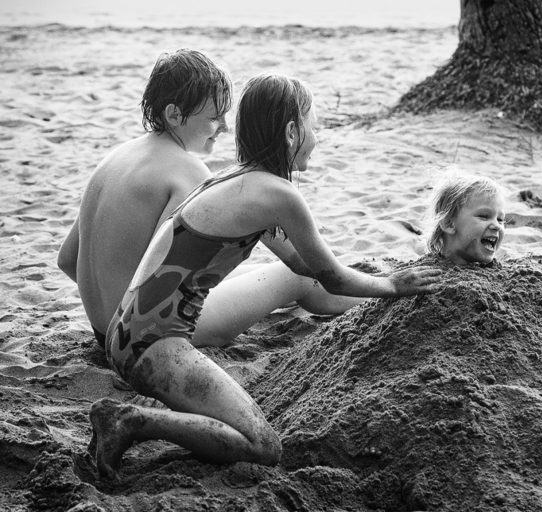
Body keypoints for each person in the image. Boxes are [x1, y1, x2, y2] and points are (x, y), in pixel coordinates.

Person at [89, 74, 442, 478]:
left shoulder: (233, 179)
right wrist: (395, 285)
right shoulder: (280, 196)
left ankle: (131, 419)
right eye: (314, 126)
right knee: (264, 446)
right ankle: (130, 421)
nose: (317, 138)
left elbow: (301, 265)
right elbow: (332, 279)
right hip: (154, 346)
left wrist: (374, 288)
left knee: (248, 433)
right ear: (292, 132)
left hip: (125, 334)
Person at [57, 49, 361, 350]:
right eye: (215, 117)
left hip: (104, 329)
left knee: (259, 275)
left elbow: (67, 259)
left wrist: (109, 295)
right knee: (295, 277)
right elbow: (160, 277)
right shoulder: (186, 171)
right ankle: (369, 306)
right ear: (175, 114)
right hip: (144, 336)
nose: (225, 128)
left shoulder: (114, 159)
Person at [425, 173, 506, 265]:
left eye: (500, 220)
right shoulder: (421, 271)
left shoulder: (502, 273)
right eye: (484, 216)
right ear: (449, 224)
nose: (497, 226)